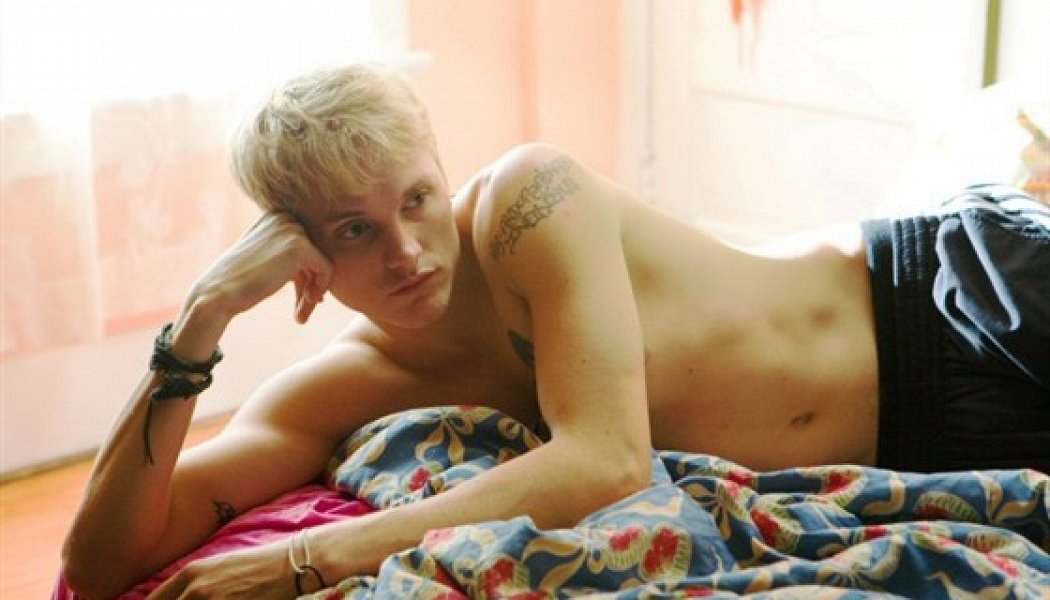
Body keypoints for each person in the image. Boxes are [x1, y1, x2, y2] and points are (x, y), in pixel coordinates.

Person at [60, 63, 1050, 599]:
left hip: (950, 303)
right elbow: (101, 565)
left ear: (442, 167)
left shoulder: (528, 200)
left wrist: (306, 560)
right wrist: (200, 319)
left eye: (416, 198)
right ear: (295, 251)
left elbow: (607, 459)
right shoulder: (343, 388)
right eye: (354, 231)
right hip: (934, 445)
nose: (406, 251)